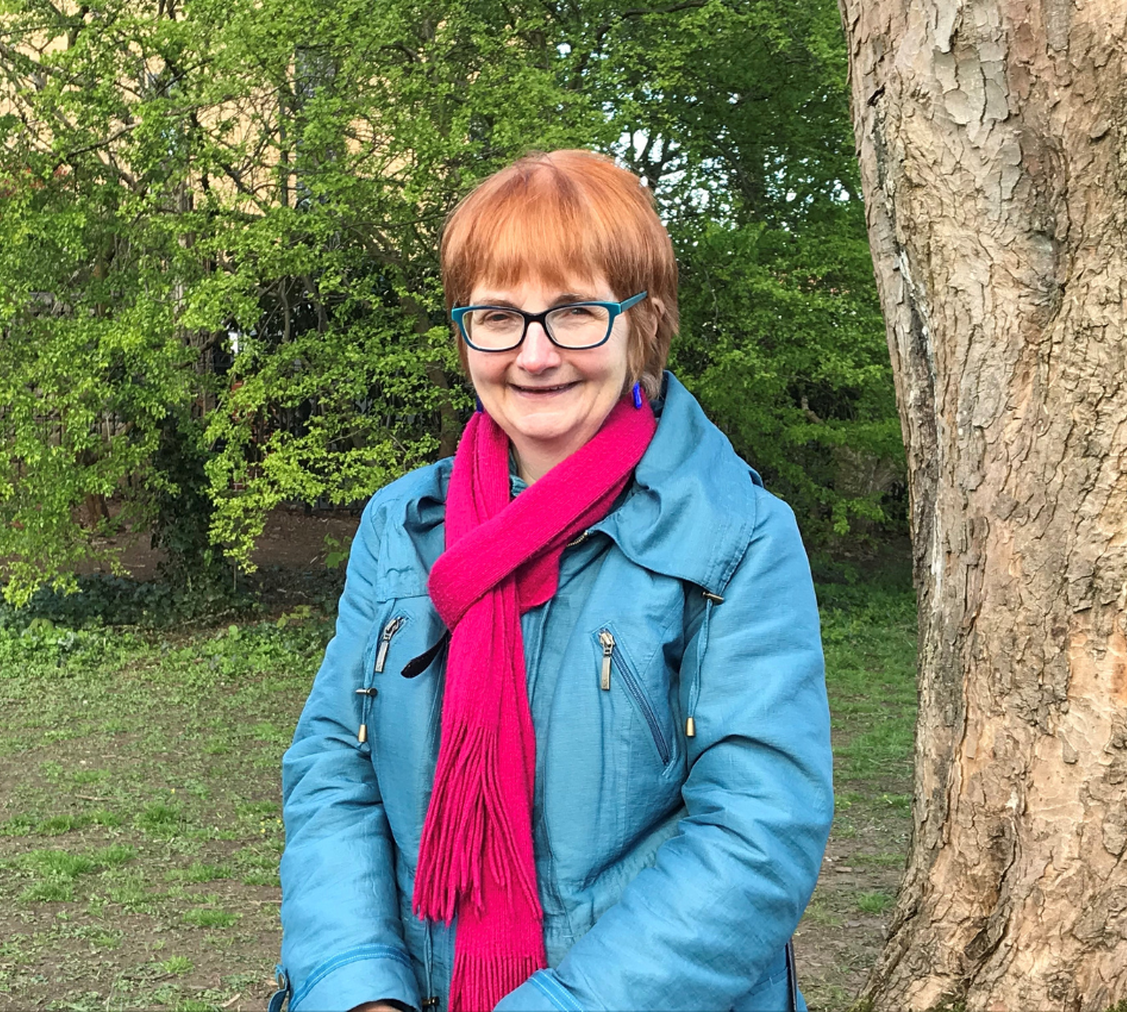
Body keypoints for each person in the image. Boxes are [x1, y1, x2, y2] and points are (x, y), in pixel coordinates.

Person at [270, 149, 833, 1012]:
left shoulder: (738, 536)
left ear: (641, 321)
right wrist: (355, 986)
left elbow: (757, 832)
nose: (533, 355)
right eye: (496, 316)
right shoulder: (402, 525)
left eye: (574, 311)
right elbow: (333, 769)